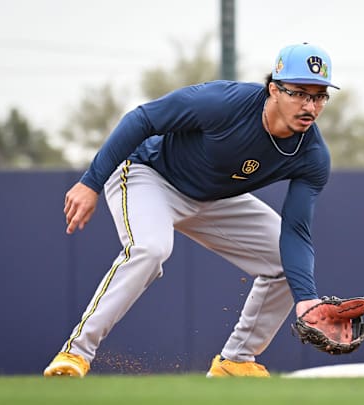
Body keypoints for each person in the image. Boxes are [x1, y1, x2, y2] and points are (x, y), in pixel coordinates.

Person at [43, 42, 338, 377]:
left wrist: (307, 298)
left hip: (214, 198)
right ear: (274, 89)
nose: (310, 105)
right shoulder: (224, 103)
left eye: (319, 96)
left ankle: (235, 362)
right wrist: (90, 182)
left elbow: (296, 231)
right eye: (299, 92)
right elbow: (142, 119)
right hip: (149, 175)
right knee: (150, 249)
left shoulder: (312, 155)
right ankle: (75, 353)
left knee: (285, 263)